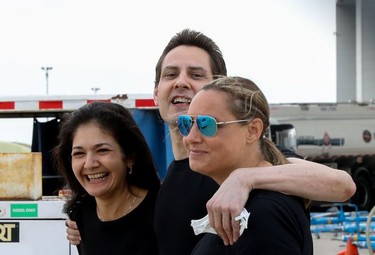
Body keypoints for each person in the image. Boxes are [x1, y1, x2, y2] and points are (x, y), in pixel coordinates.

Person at [66, 29, 356, 254]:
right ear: (156, 93)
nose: (180, 82)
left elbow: (342, 184)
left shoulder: (242, 164)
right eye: (170, 74)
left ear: (219, 87)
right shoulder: (171, 183)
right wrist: (86, 218)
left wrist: (244, 179)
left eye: (196, 74)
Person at [179, 76, 313, 254]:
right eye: (186, 123)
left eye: (207, 124)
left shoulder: (264, 214)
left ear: (253, 130)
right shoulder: (245, 206)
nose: (190, 138)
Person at [53, 102, 160, 254]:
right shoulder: (80, 215)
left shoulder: (160, 212)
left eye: (102, 150)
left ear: (129, 156)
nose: (89, 164)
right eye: (79, 153)